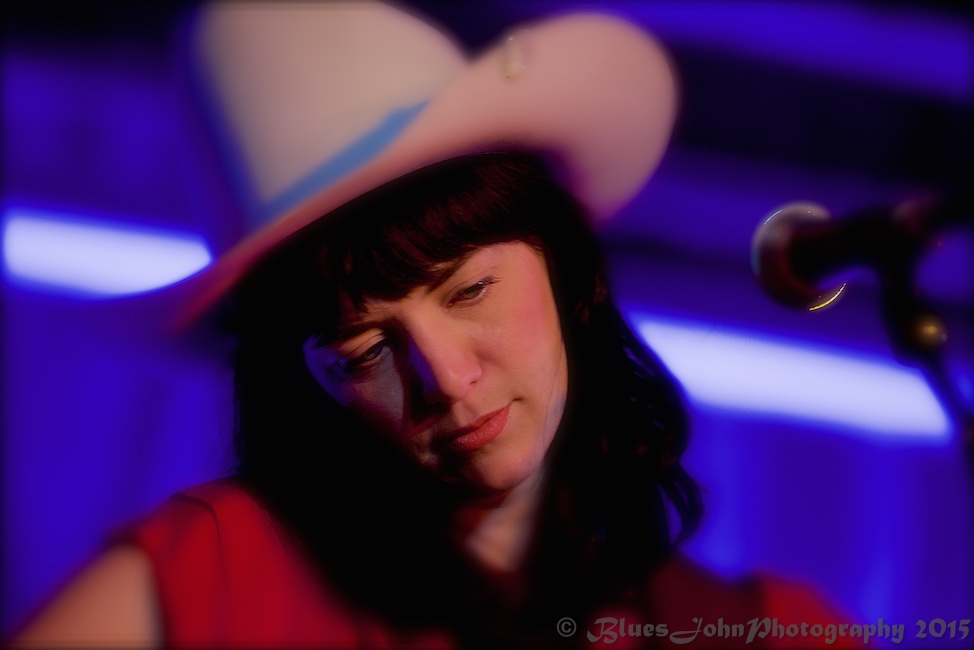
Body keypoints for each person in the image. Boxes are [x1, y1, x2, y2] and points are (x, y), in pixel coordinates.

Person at [11, 2, 854, 648]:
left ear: (565, 268)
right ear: (305, 385)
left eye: (471, 289)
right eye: (363, 351)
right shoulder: (213, 576)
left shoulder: (765, 631)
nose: (445, 380)